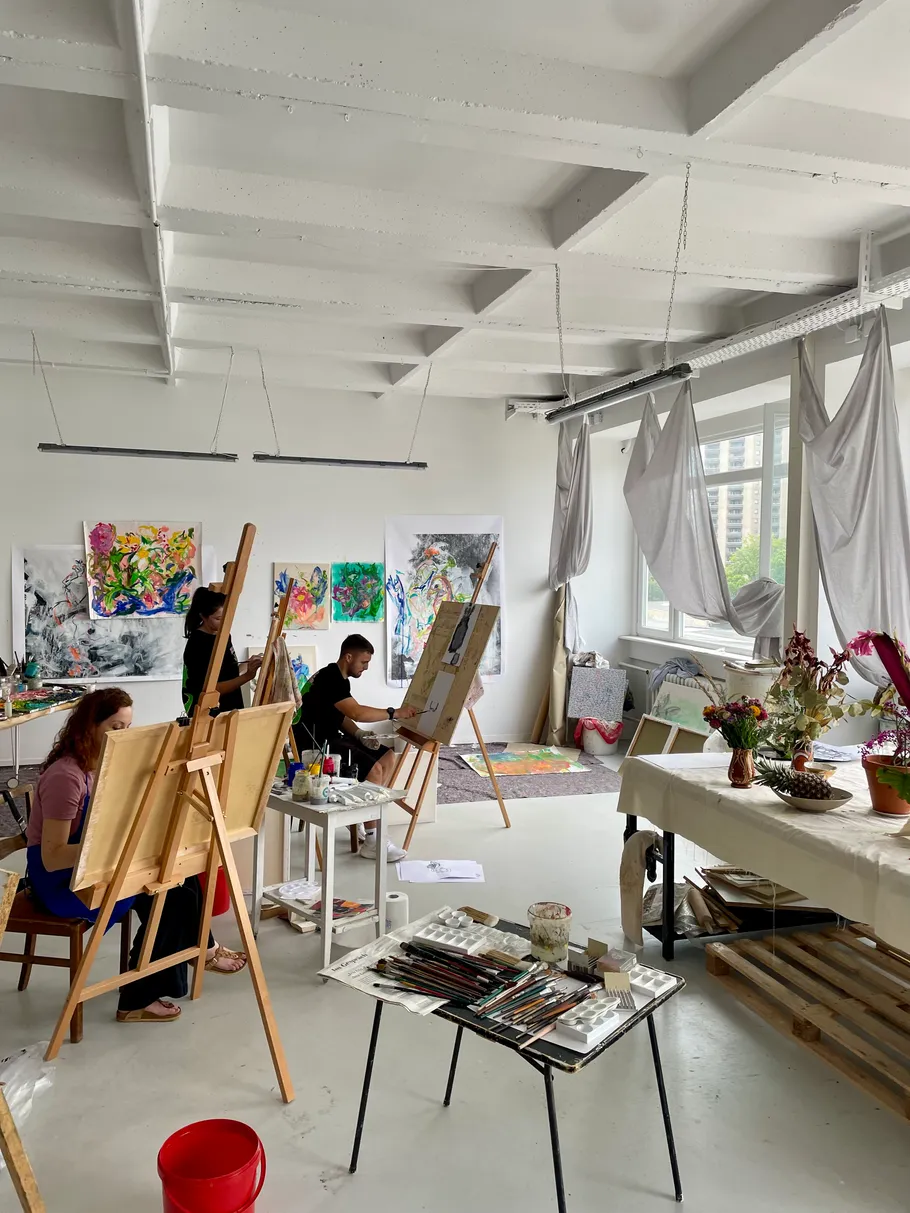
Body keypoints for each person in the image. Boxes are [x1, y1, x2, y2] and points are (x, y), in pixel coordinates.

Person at [26, 689, 247, 1024]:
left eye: (127, 727)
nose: (122, 736)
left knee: (184, 882)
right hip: (61, 882)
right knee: (173, 901)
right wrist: (121, 847)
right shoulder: (66, 777)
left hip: (98, 863)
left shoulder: (102, 764)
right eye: (115, 727)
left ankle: (194, 954)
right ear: (89, 727)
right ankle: (136, 998)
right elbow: (53, 857)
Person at [293, 634, 417, 861]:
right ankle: (373, 839)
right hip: (316, 747)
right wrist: (395, 712)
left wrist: (359, 733)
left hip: (332, 737)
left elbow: (340, 716)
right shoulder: (331, 678)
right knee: (374, 770)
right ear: (348, 657)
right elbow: (356, 712)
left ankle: (363, 815)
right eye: (364, 662)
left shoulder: (338, 678)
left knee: (388, 756)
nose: (366, 667)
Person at [182, 587, 262, 716]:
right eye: (218, 619)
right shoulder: (197, 644)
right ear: (203, 616)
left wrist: (248, 664)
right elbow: (211, 689)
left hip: (232, 705)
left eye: (227, 617)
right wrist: (247, 676)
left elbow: (229, 671)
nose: (224, 623)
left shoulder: (224, 635)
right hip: (209, 713)